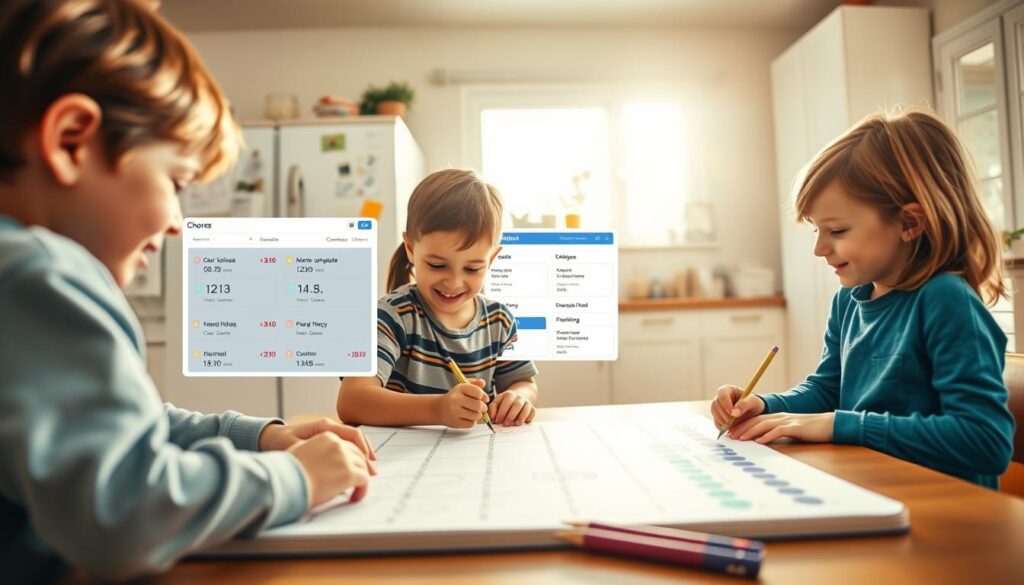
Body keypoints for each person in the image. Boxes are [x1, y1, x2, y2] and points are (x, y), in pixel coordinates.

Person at [0, 1, 375, 580]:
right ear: (71, 140)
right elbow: (124, 511)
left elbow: (133, 426)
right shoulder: (42, 274)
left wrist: (263, 436)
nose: (179, 222)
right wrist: (297, 479)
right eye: (175, 182)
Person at [711, 110, 1015, 489]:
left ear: (909, 223)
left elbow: (984, 441)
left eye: (837, 230)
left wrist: (841, 424)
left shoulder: (945, 301)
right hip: (876, 491)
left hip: (947, 510)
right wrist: (767, 405)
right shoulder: (850, 301)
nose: (820, 249)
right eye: (816, 231)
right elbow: (827, 390)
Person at [338, 169, 539, 428]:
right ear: (411, 249)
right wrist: (438, 409)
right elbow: (352, 401)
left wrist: (518, 398)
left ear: (491, 259)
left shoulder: (499, 320)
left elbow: (523, 382)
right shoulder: (391, 316)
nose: (454, 282)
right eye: (436, 265)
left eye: (472, 269)